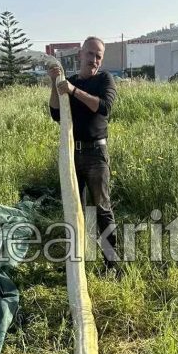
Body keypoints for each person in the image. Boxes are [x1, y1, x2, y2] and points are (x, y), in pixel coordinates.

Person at [48, 36, 119, 272]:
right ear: (80, 54)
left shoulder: (104, 80)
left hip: (96, 155)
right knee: (74, 207)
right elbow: (56, 114)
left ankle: (111, 264)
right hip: (72, 154)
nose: (95, 60)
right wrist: (54, 84)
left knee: (101, 208)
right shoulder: (68, 82)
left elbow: (103, 106)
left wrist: (73, 90)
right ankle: (76, 263)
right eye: (91, 54)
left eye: (99, 56)